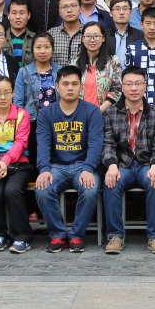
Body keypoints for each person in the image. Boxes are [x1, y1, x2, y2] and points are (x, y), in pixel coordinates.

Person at [100, 67, 155, 254]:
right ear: (122, 87)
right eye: (129, 84)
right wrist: (111, 166)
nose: (134, 88)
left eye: (138, 84)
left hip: (146, 165)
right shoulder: (111, 114)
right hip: (122, 165)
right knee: (111, 182)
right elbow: (107, 144)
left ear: (145, 86)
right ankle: (115, 236)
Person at [34, 65, 104, 253]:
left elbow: (96, 144)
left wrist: (88, 168)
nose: (70, 88)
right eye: (65, 84)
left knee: (90, 189)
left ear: (81, 86)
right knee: (42, 189)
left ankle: (77, 235)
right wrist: (44, 169)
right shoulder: (46, 113)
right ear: (57, 87)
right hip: (57, 166)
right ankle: (58, 234)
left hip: (84, 165)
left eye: (74, 84)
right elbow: (43, 144)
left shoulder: (92, 111)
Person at [0, 75, 36, 253]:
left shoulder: (22, 115)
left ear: (13, 93)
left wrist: (4, 162)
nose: (2, 97)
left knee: (12, 191)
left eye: (6, 92)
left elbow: (21, 143)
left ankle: (22, 236)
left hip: (19, 163)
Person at [72, 21, 123, 113]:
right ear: (83, 39)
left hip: (105, 114)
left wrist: (98, 112)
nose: (92, 40)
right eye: (88, 36)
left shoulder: (113, 61)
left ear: (103, 38)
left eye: (96, 36)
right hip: (79, 114)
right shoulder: (74, 63)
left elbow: (117, 90)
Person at [47, 0, 85, 66]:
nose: (69, 10)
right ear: (59, 12)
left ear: (80, 8)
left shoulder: (88, 33)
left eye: (73, 6)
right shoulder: (50, 34)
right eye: (64, 7)